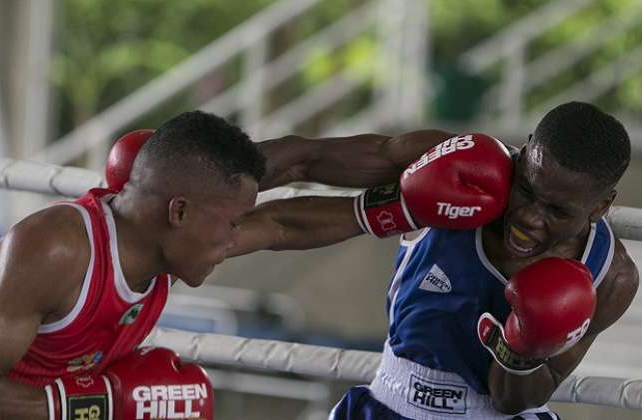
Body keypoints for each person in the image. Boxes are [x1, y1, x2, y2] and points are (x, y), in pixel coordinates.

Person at [0, 110, 365, 420]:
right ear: (178, 211)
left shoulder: (170, 245)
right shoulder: (55, 250)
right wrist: (104, 401)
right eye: (232, 222)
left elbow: (284, 224)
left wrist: (393, 210)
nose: (235, 237)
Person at [247, 101, 639, 419]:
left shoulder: (609, 277)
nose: (528, 217)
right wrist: (217, 180)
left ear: (601, 205)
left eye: (557, 211)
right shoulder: (457, 167)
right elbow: (307, 159)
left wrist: (522, 348)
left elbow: (513, 401)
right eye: (525, 189)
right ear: (527, 149)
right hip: (391, 405)